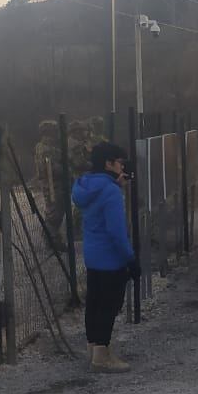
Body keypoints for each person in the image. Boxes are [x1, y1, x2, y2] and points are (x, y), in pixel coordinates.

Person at [72, 142, 140, 372]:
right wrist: (130, 259)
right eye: (119, 162)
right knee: (109, 306)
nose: (122, 167)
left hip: (93, 255)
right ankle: (102, 356)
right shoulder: (110, 191)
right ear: (108, 163)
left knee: (94, 303)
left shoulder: (86, 186)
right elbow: (116, 232)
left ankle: (93, 349)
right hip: (111, 259)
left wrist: (116, 186)